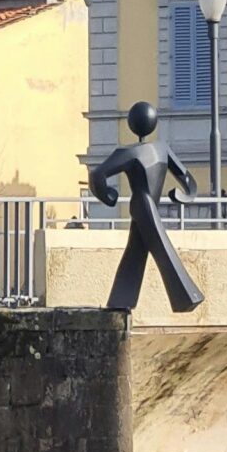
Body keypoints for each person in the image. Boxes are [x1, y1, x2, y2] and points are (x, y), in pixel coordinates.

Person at [87, 100, 204, 313]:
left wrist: (109, 196)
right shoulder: (162, 149)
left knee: (139, 252)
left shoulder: (128, 153)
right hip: (147, 205)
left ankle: (121, 300)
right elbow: (188, 181)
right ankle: (186, 297)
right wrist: (183, 196)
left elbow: (96, 176)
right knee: (160, 249)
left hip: (141, 203)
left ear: (132, 123)